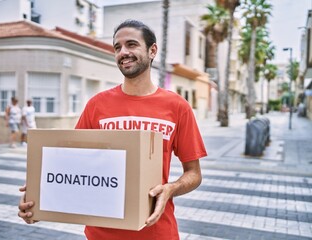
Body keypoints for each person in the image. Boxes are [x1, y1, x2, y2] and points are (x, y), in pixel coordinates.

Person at [18, 19, 207, 240]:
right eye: (117, 47)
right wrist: (41, 200)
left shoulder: (177, 107)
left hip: (157, 232)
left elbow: (194, 173)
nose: (123, 52)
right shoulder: (97, 105)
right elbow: (73, 165)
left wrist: (171, 188)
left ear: (152, 50)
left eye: (131, 44)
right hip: (101, 234)